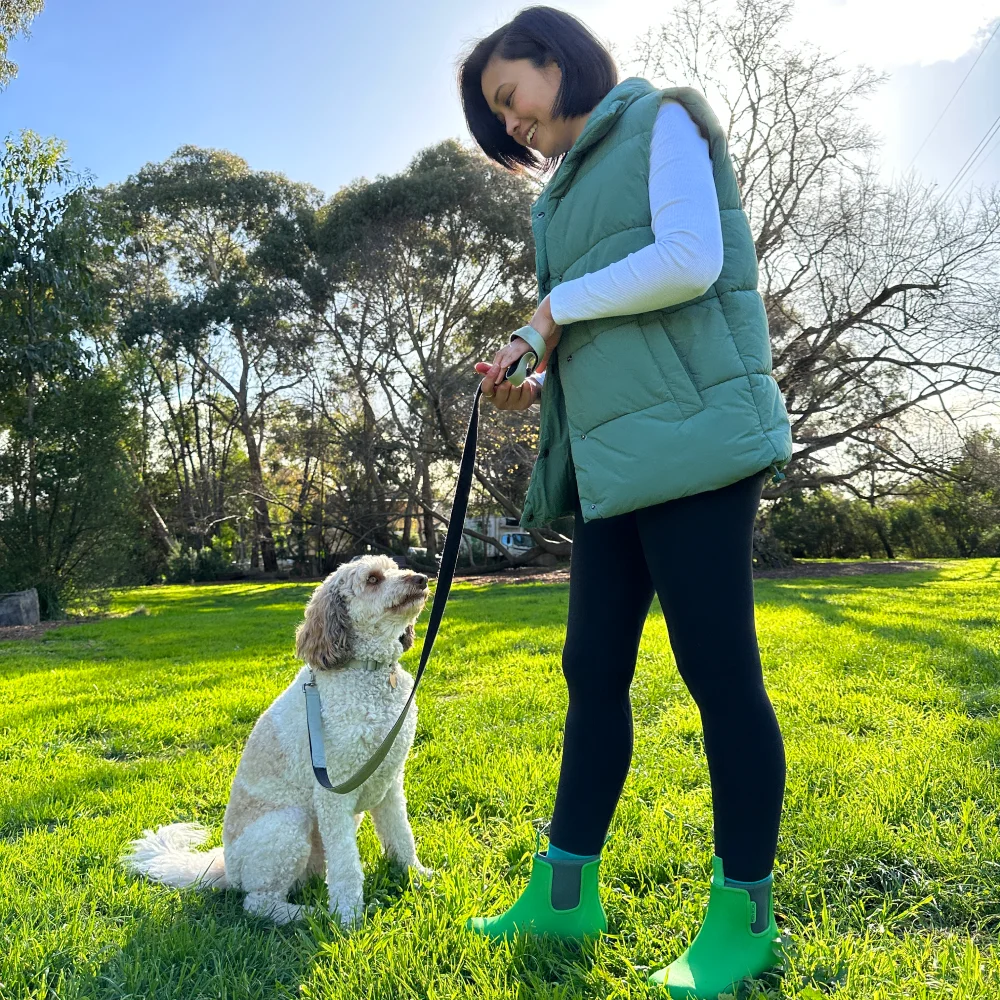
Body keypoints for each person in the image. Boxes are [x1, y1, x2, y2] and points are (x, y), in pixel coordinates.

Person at [456, 7, 793, 998]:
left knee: (717, 674)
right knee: (590, 668)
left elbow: (689, 261)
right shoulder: (554, 201)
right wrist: (532, 371)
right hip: (612, 465)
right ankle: (565, 891)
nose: (507, 119)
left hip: (693, 446)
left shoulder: (662, 120)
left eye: (506, 93)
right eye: (493, 115)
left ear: (553, 56)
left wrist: (551, 312)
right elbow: (605, 329)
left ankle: (743, 917)